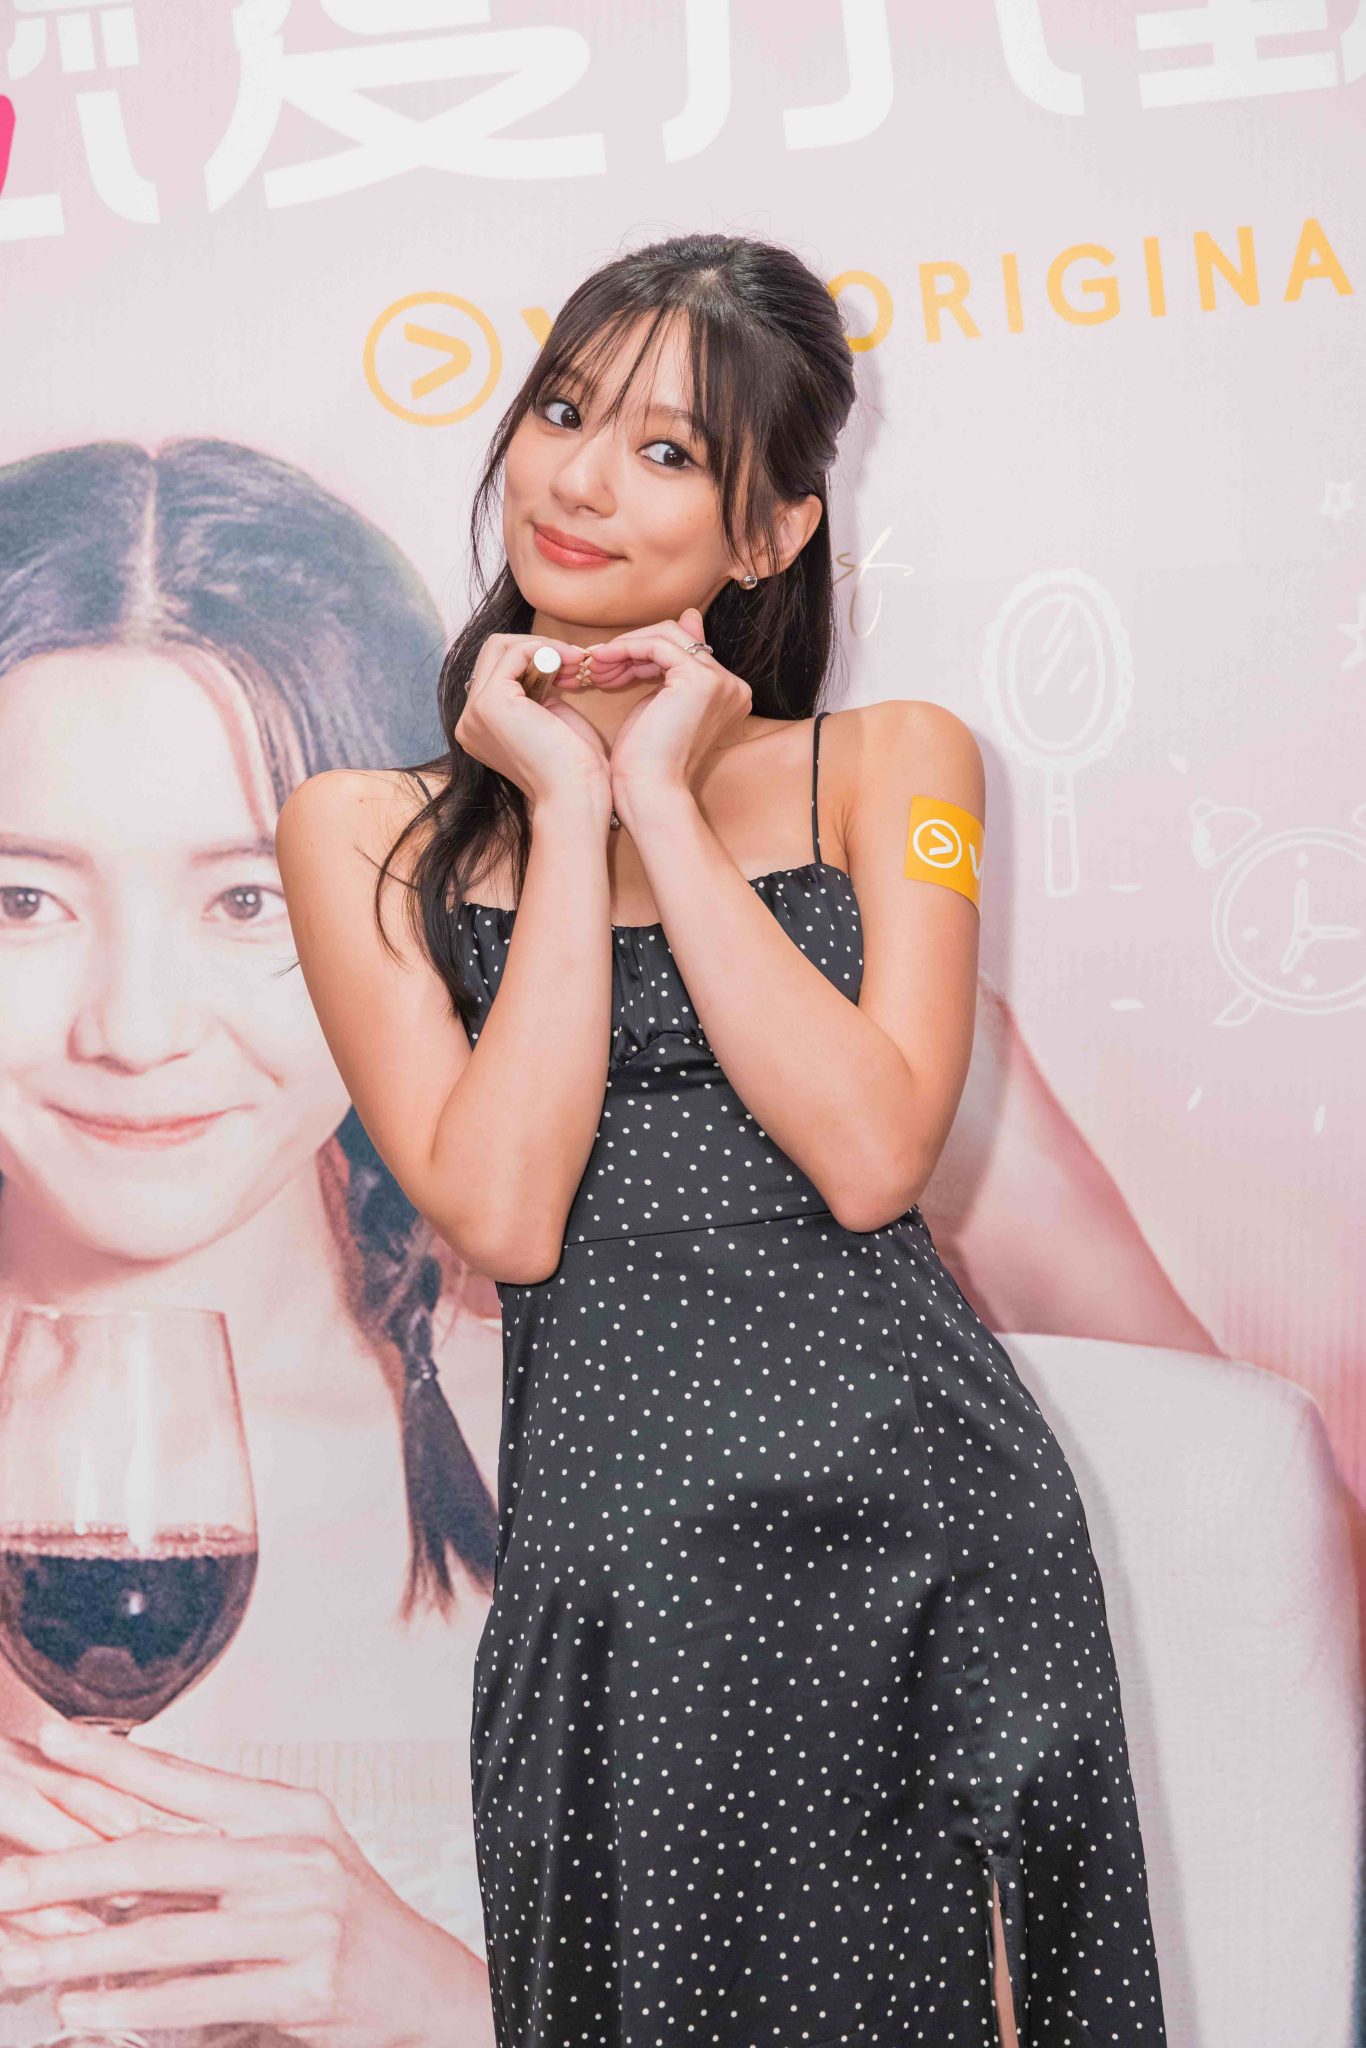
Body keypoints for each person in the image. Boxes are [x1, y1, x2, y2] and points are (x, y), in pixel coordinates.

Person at [276, 230, 1169, 2045]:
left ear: (769, 533)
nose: (580, 481)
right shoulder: (364, 829)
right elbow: (506, 1213)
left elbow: (871, 1153)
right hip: (621, 1580)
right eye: (562, 413)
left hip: (921, 1539)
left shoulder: (895, 765)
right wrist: (558, 801)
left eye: (667, 451)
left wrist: (664, 808)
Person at [0, 439, 499, 2045]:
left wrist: (434, 2007)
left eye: (248, 902)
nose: (135, 1029)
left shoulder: (617, 1453)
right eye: (21, 902)